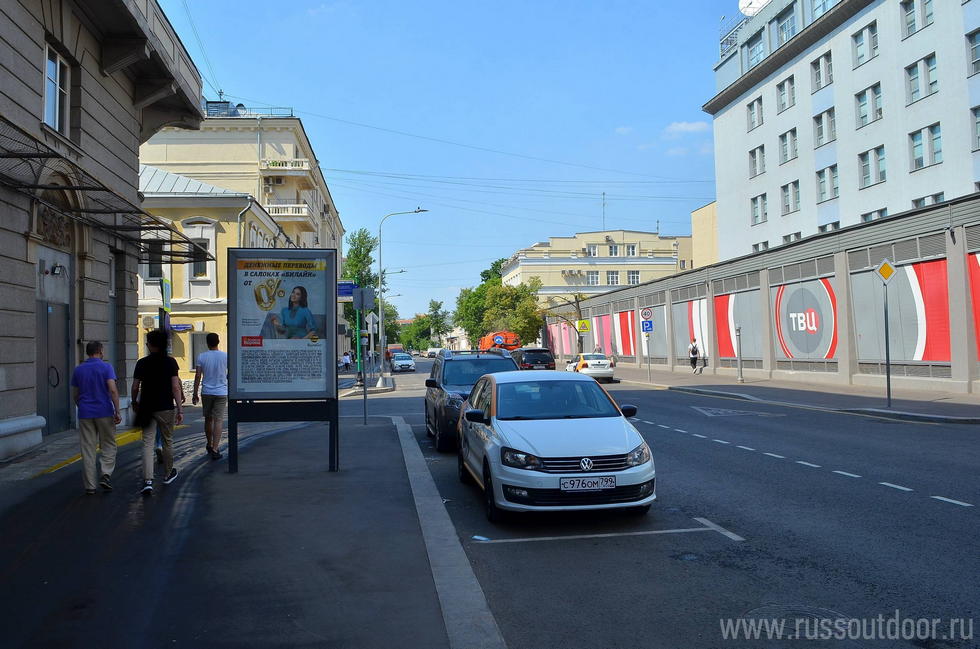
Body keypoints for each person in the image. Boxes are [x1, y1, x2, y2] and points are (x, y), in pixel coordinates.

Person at [132, 329, 183, 495]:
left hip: (147, 407)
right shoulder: (170, 362)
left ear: (150, 345)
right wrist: (180, 407)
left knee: (147, 443)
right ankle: (168, 474)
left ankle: (147, 480)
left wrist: (134, 401)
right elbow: (175, 386)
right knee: (167, 440)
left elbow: (135, 386)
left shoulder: (142, 362)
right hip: (165, 407)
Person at [70, 341, 121, 494]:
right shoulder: (106, 367)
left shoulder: (78, 370)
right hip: (104, 411)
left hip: (85, 413)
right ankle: (105, 474)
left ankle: (90, 486)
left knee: (87, 449)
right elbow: (112, 390)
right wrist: (117, 410)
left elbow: (75, 394)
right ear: (100, 351)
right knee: (108, 445)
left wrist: (82, 406)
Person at [192, 332, 228, 461]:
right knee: (218, 420)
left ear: (207, 343)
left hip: (207, 391)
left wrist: (195, 392)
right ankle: (215, 448)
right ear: (218, 342)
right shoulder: (225, 356)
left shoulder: (201, 357)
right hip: (221, 392)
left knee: (208, 419)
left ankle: (209, 443)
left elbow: (197, 376)